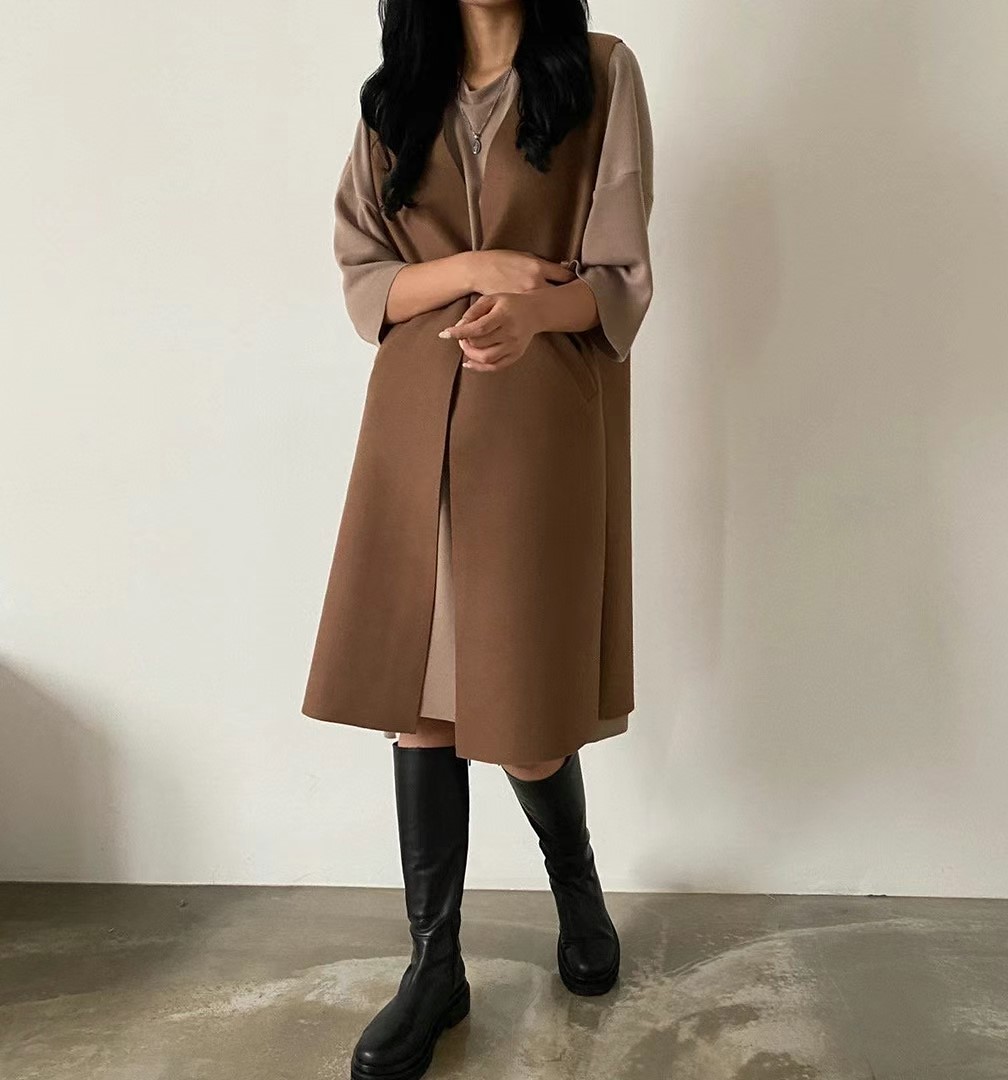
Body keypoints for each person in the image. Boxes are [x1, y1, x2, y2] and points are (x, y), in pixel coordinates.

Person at [301, 2, 653, 1077]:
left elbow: (620, 277)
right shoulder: (394, 99)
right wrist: (477, 268)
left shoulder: (601, 73)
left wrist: (537, 310)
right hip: (412, 420)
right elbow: (366, 279)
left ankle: (575, 885)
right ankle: (433, 966)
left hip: (538, 423)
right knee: (418, 705)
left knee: (526, 715)